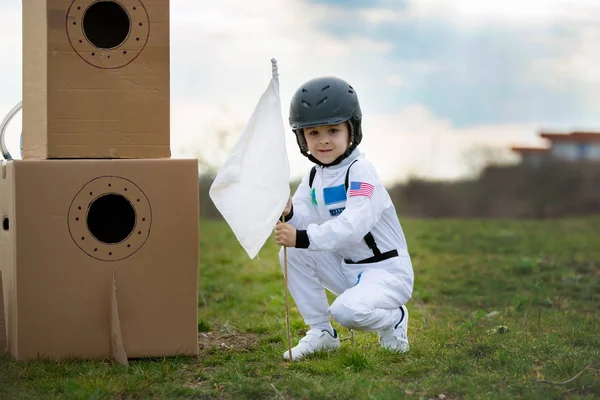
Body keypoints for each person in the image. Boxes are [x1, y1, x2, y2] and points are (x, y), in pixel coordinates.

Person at [274, 76, 414, 361]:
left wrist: (301, 236)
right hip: (348, 269)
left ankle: (394, 318)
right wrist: (289, 213)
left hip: (386, 272)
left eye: (333, 130)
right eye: (313, 133)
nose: (323, 140)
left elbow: (353, 226)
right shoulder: (314, 176)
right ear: (302, 137)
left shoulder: (362, 172)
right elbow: (302, 218)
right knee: (290, 253)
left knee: (345, 311)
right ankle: (321, 333)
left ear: (352, 129)